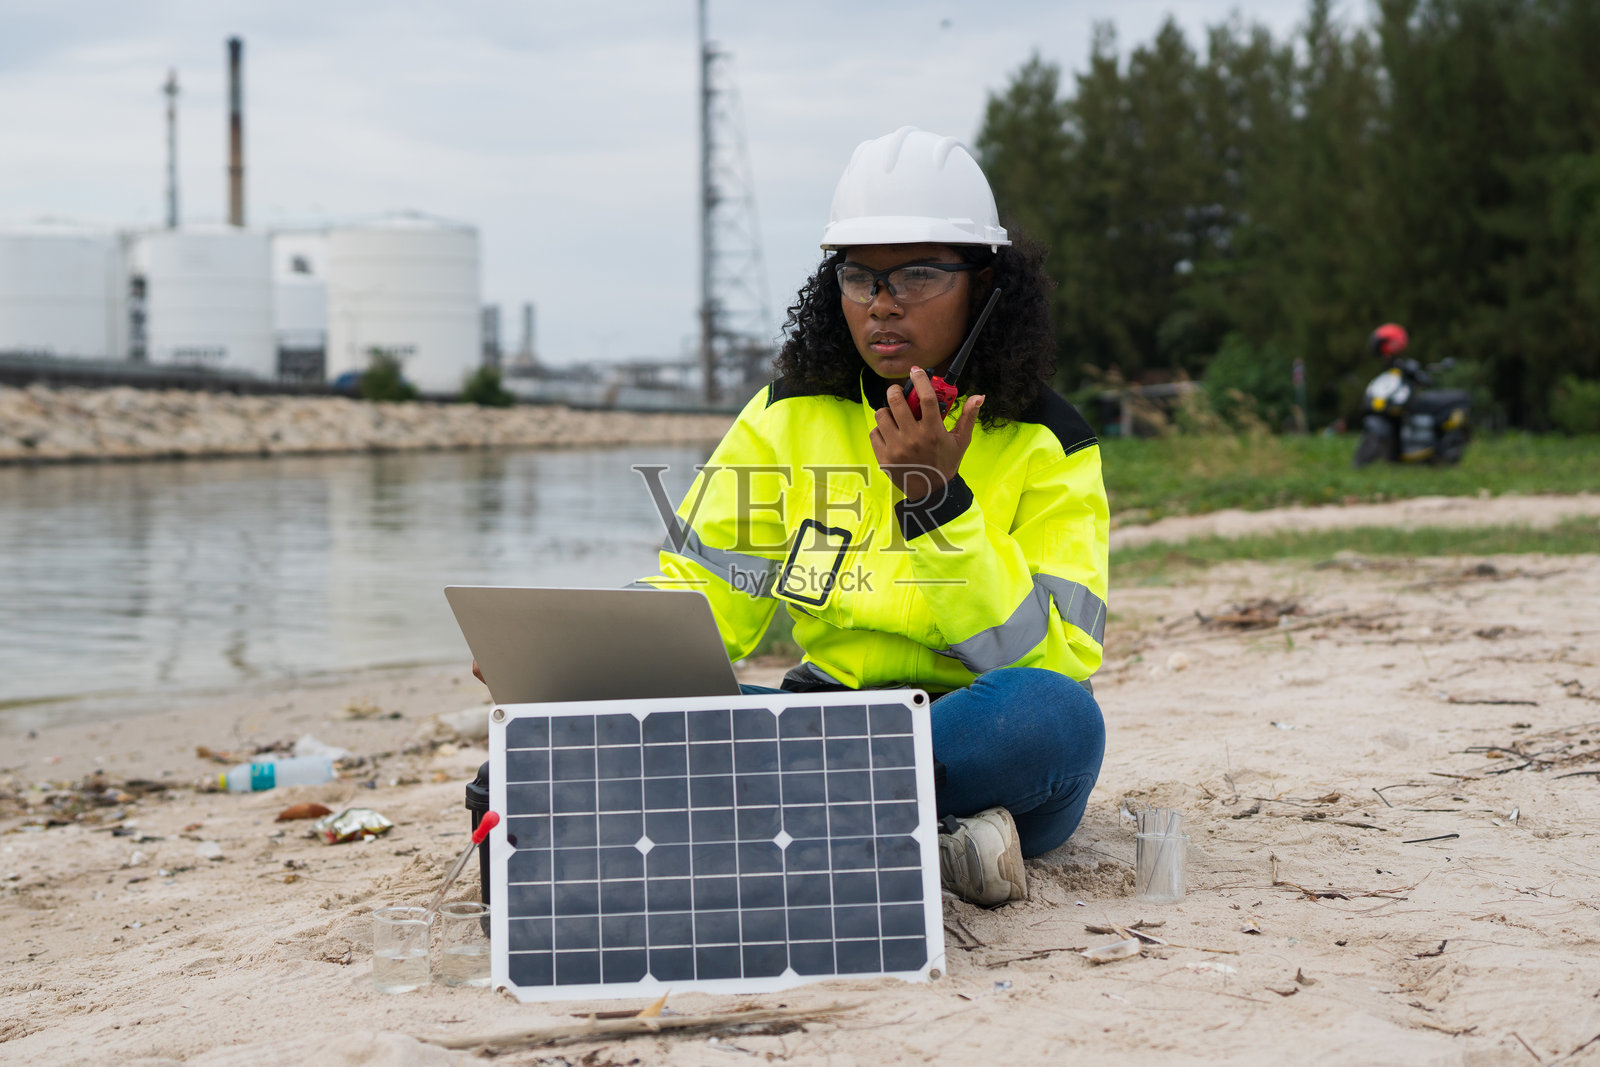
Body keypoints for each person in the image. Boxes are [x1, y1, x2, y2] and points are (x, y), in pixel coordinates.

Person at [632, 127, 1108, 907]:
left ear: (985, 286)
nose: (883, 303)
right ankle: (921, 837)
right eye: (859, 276)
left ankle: (812, 815)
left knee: (1057, 720)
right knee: (635, 717)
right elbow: (705, 595)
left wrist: (939, 503)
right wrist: (594, 652)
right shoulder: (784, 418)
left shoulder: (1048, 440)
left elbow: (1051, 657)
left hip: (972, 731)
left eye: (918, 274)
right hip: (823, 716)